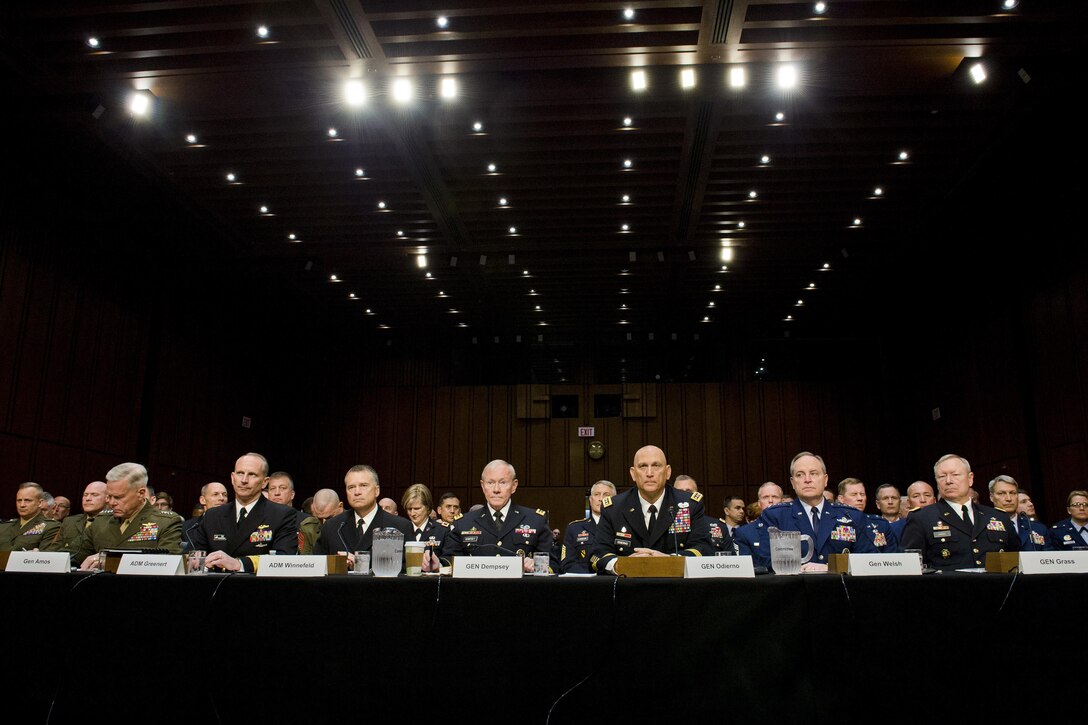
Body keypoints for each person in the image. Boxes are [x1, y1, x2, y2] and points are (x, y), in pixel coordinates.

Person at [589, 445, 713, 574]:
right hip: (629, 588)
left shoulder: (689, 504)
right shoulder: (614, 508)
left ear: (668, 472)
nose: (649, 473)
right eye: (643, 466)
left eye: (656, 466)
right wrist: (621, 565)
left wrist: (669, 561)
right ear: (633, 473)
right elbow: (596, 555)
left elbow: (705, 550)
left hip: (675, 588)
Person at [758, 452, 875, 571]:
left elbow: (867, 560)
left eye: (813, 474)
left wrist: (830, 568)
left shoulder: (851, 516)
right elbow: (766, 561)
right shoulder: (775, 516)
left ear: (825, 480)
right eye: (800, 475)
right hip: (795, 587)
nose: (807, 480)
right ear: (793, 483)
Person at [900, 454, 1018, 571]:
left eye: (955, 475)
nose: (948, 481)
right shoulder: (922, 517)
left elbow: (1016, 562)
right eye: (942, 476)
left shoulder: (997, 516)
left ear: (970, 478)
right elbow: (910, 567)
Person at [191, 453, 298, 572]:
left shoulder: (281, 514)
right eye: (240, 473)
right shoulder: (212, 515)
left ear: (265, 482)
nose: (244, 480)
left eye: (252, 474)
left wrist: (239, 564)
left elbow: (283, 559)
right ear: (232, 477)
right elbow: (194, 554)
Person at [441, 460, 552, 572]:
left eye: (503, 483)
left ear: (514, 486)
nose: (496, 490)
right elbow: (449, 560)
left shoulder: (535, 520)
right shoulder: (463, 523)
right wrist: (436, 564)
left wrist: (537, 565)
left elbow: (553, 564)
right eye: (490, 483)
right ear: (483, 486)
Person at [71, 463, 183, 568]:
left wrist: (110, 561)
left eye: (118, 497)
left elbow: (168, 563)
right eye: (109, 496)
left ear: (141, 493)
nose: (111, 502)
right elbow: (73, 555)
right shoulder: (101, 520)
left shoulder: (166, 522)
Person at [315, 466, 413, 562]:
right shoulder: (332, 527)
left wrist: (361, 562)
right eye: (351, 487)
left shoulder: (400, 526)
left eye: (363, 486)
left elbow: (407, 569)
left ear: (377, 491)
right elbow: (318, 566)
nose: (357, 492)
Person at [559, 480, 615, 573]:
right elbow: (567, 564)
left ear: (615, 500)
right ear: (590, 499)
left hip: (615, 582)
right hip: (584, 583)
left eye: (606, 495)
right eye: (597, 494)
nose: (601, 498)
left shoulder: (623, 527)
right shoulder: (574, 528)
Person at [43, 481, 108, 553]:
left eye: (94, 495)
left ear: (108, 498)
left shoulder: (113, 522)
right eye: (85, 495)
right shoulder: (69, 522)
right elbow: (54, 549)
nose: (88, 498)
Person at [837, 477, 898, 552]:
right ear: (841, 499)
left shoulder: (881, 524)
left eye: (862, 494)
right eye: (854, 494)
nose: (860, 498)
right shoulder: (833, 523)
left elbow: (893, 557)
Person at [988, 475, 1048, 550]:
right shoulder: (983, 525)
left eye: (1013, 493)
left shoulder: (1037, 528)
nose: (1009, 499)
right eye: (1001, 493)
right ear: (991, 497)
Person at [733, 482, 784, 567]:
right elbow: (745, 567)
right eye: (765, 497)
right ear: (759, 503)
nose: (770, 501)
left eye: (775, 497)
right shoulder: (744, 533)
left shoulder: (796, 526)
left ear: (782, 502)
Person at [0, 482, 61, 551]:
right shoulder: (3, 527)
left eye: (27, 500)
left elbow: (46, 557)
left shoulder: (51, 527)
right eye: (19, 500)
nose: (22, 505)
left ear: (40, 503)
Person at [181, 482, 229, 552]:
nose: (222, 498)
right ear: (203, 500)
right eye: (215, 494)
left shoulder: (234, 525)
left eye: (225, 495)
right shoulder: (187, 527)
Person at [298, 488, 343, 554]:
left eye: (329, 518)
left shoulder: (353, 522)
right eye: (319, 519)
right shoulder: (308, 527)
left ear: (340, 507)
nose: (325, 523)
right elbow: (305, 560)